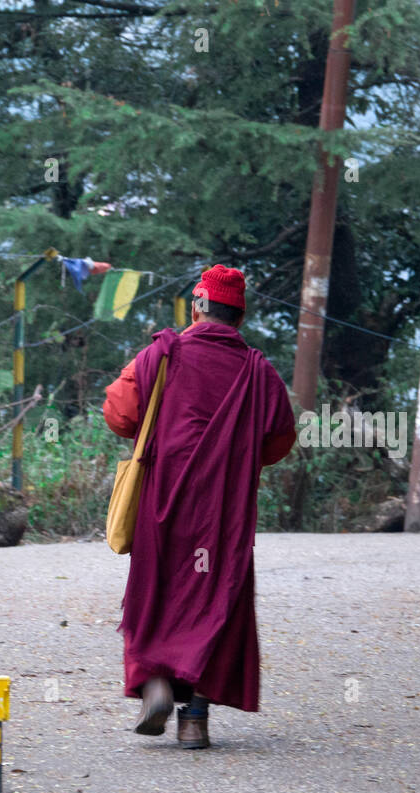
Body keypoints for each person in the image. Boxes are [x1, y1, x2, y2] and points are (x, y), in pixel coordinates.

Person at [102, 264, 296, 749]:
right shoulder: (258, 370)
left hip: (164, 502)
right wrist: (235, 456)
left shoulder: (164, 354)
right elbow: (278, 440)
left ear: (200, 306)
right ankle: (195, 718)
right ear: (239, 316)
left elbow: (119, 414)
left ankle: (158, 682)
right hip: (225, 514)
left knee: (158, 593)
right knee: (215, 601)